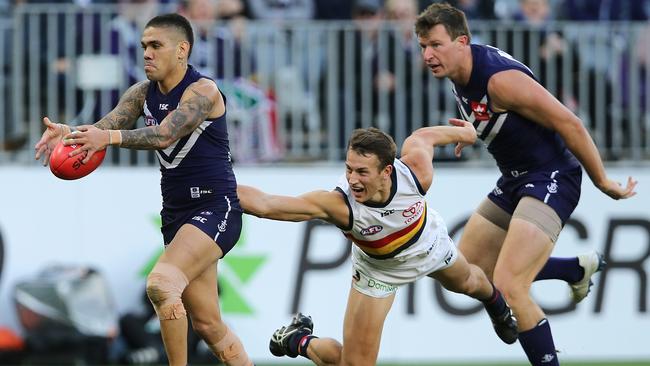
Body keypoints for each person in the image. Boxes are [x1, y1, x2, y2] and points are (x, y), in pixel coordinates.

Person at [414, 4, 638, 365]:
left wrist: (604, 182)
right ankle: (573, 269)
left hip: (552, 177)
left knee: (510, 285)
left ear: (462, 41)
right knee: (465, 268)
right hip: (515, 178)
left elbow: (571, 124)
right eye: (423, 45)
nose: (427, 55)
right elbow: (496, 118)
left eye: (435, 45)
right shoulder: (460, 72)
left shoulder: (499, 80)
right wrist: (472, 130)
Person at [34, 13, 253, 366]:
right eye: (143, 47)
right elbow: (103, 128)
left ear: (182, 50)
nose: (146, 53)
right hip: (177, 214)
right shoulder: (140, 93)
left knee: (161, 284)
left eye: (156, 45)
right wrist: (71, 133)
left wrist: (107, 137)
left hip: (214, 207)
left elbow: (165, 134)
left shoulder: (203, 91)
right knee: (209, 325)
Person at [238, 124, 518, 365]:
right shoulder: (339, 205)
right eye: (348, 169)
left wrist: (466, 133)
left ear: (386, 171)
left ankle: (496, 304)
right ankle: (298, 339)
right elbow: (267, 205)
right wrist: (218, 189)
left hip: (430, 244)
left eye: (362, 172)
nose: (352, 180)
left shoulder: (416, 173)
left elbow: (424, 136)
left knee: (469, 282)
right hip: (378, 272)